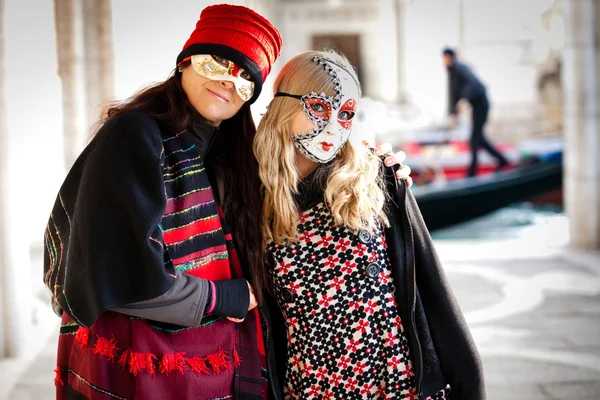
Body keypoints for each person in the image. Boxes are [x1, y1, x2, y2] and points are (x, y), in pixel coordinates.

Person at [43, 5, 411, 399]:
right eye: (218, 62)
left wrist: (375, 166)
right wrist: (227, 296)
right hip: (141, 367)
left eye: (246, 79)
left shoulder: (230, 156)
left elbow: (301, 177)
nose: (228, 83)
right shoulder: (135, 135)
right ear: (185, 61)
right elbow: (120, 273)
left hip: (212, 368)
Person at [254, 51, 485, 399]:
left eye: (346, 113)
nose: (334, 125)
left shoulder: (376, 178)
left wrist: (471, 382)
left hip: (394, 385)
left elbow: (433, 288)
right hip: (311, 389)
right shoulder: (251, 196)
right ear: (284, 106)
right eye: (319, 107)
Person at [442, 47, 509, 177]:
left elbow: (471, 84)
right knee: (478, 139)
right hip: (475, 105)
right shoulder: (452, 72)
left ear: (450, 57)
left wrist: (465, 99)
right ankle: (502, 160)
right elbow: (453, 94)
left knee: (475, 139)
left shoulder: (460, 68)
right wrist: (453, 114)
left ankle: (473, 173)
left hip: (481, 103)